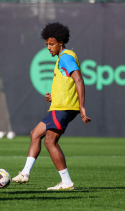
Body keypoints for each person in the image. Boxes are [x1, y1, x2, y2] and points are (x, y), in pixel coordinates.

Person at [12, 22, 91, 190]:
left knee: (50, 141)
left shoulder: (66, 57)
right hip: (59, 104)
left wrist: (82, 106)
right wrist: (53, 96)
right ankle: (25, 173)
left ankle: (67, 182)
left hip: (63, 107)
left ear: (60, 42)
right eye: (47, 44)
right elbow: (68, 83)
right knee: (35, 134)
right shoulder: (62, 58)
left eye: (51, 44)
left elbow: (78, 79)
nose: (48, 47)